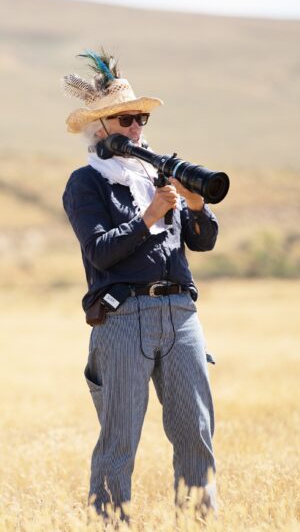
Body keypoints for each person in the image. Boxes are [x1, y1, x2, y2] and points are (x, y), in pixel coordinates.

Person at [61, 50, 218, 523]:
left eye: (140, 118)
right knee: (120, 438)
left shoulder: (159, 175)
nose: (136, 128)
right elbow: (100, 252)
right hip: (123, 317)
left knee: (196, 432)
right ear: (101, 129)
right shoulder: (85, 183)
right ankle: (109, 522)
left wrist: (193, 206)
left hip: (181, 314)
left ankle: (199, 522)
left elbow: (204, 241)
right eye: (126, 119)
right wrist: (149, 219)